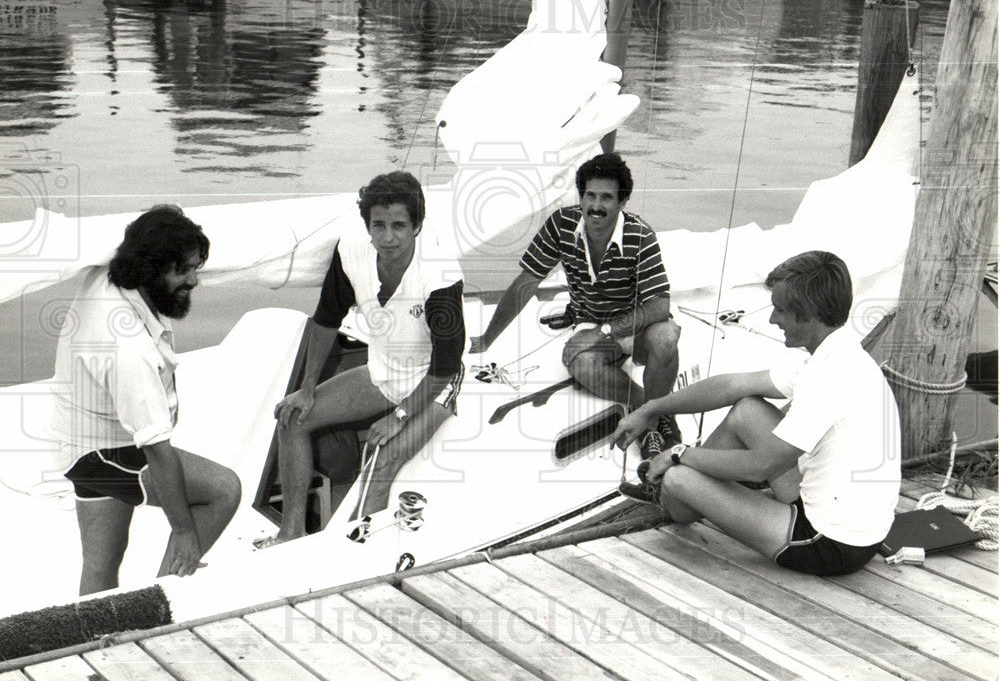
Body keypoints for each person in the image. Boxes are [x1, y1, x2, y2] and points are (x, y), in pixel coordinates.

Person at [611, 251, 901, 575]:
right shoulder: (835, 352)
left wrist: (679, 454)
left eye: (780, 310)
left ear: (809, 316)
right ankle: (673, 485)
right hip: (851, 519)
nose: (772, 320)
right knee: (747, 409)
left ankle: (669, 490)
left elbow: (760, 466)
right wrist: (652, 408)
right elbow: (731, 386)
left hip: (829, 542)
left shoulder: (829, 377)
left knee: (679, 478)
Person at [259, 171, 465, 547]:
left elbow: (447, 365)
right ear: (367, 225)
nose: (388, 237)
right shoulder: (352, 250)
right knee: (292, 418)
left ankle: (351, 553)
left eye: (400, 226)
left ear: (417, 226)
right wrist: (306, 389)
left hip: (433, 381)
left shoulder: (440, 275)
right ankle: (289, 536)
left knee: (382, 460)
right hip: (382, 371)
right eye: (379, 225)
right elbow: (325, 320)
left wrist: (399, 418)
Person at [50, 205, 241, 595]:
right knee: (223, 490)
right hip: (106, 452)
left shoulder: (109, 271)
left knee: (102, 566)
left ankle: (90, 633)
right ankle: (162, 601)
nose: (194, 280)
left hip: (78, 435)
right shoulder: (127, 348)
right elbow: (157, 450)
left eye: (195, 268)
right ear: (150, 270)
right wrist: (184, 530)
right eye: (182, 271)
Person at [470, 152, 682, 449]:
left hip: (635, 325)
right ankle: (651, 408)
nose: (596, 206)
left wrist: (606, 331)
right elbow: (526, 282)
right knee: (582, 366)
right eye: (590, 196)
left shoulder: (640, 234)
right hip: (591, 321)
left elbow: (660, 306)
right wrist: (487, 338)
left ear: (622, 203)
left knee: (666, 337)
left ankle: (659, 418)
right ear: (580, 198)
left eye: (607, 198)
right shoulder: (561, 224)